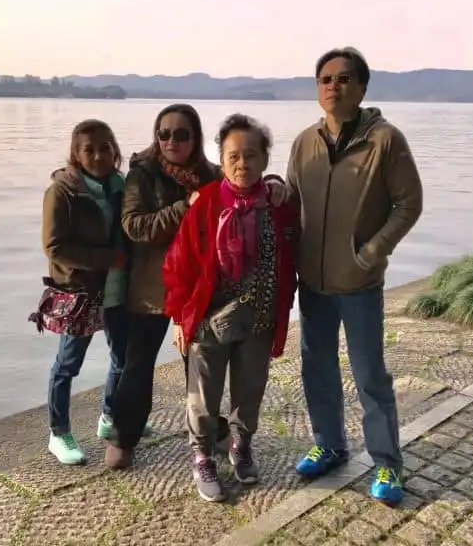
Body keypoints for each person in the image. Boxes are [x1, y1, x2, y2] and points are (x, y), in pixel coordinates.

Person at [104, 104, 287, 468]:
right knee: (138, 366)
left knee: (204, 371)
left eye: (182, 134)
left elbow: (242, 179)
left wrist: (275, 183)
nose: (171, 141)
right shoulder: (143, 174)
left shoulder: (209, 173)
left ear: (196, 138)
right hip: (152, 291)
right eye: (164, 133)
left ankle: (213, 433)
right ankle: (124, 437)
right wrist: (183, 207)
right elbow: (135, 226)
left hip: (199, 294)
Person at [287, 47, 423, 505]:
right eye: (325, 79)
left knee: (369, 375)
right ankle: (329, 444)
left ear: (362, 88)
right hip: (313, 282)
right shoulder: (304, 142)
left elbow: (409, 203)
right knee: (317, 367)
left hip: (360, 282)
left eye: (344, 78)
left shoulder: (385, 140)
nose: (333, 86)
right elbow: (291, 204)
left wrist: (372, 253)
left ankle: (387, 462)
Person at [162, 114, 299, 502]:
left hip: (260, 316)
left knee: (250, 389)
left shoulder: (277, 205)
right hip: (209, 317)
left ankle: (241, 444)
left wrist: (281, 189)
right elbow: (179, 262)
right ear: (221, 160)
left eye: (251, 155)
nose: (243, 164)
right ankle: (202, 455)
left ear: (265, 159)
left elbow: (294, 246)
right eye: (234, 156)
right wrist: (180, 317)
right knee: (203, 396)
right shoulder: (206, 203)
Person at [39, 119, 129, 465]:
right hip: (81, 292)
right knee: (67, 364)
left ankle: (109, 417)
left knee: (122, 358)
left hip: (117, 288)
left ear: (114, 150)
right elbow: (55, 247)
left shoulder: (121, 186)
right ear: (76, 154)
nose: (98, 156)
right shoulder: (62, 191)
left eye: (105, 147)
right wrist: (107, 258)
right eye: (89, 150)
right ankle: (58, 432)